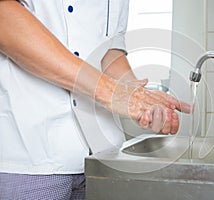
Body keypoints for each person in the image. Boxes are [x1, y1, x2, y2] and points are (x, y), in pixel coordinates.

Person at [0, 0, 189, 199]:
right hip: (33, 151)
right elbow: (5, 18)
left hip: (102, 153)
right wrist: (112, 93)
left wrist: (138, 96)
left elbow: (110, 50)